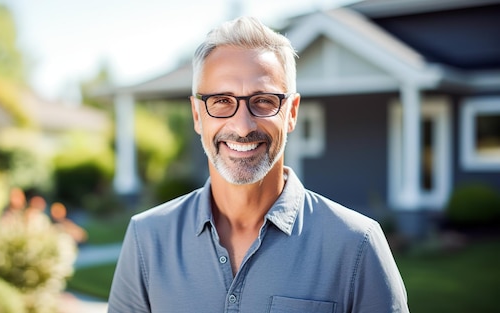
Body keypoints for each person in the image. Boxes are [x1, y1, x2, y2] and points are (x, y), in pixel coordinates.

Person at [108, 16, 409, 313]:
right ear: (198, 115)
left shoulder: (356, 245)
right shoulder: (146, 238)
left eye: (264, 100)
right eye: (222, 101)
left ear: (291, 112)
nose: (242, 127)